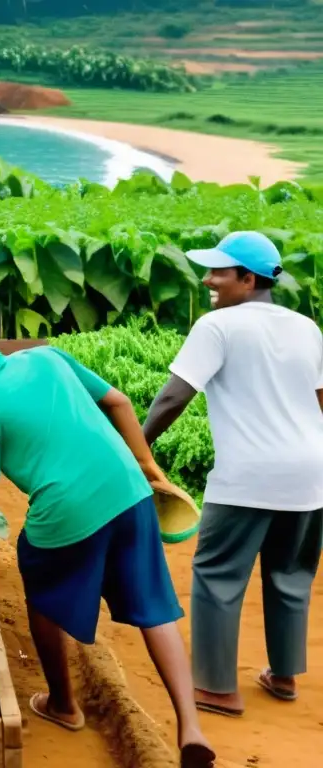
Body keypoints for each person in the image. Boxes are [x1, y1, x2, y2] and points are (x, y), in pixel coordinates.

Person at [0, 307, 215, 768]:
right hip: (129, 492)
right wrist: (145, 465)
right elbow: (118, 402)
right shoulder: (46, 357)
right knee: (154, 609)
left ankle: (64, 704)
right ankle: (191, 728)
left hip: (67, 509)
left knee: (38, 582)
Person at [143, 231, 323, 717]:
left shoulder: (218, 326)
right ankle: (283, 676)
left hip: (248, 474)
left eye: (218, 271)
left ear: (248, 278)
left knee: (218, 574)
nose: (208, 280)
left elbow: (173, 397)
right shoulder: (306, 327)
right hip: (310, 474)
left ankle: (218, 689)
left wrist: (135, 446)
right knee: (290, 573)